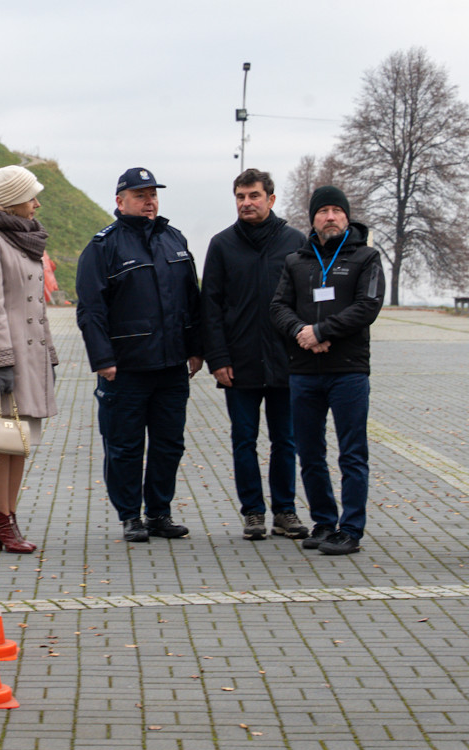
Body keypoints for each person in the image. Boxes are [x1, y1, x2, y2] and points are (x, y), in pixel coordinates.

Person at [76, 167, 202, 543]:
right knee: (125, 446)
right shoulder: (103, 247)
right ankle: (131, 515)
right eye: (140, 195)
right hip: (126, 369)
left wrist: (196, 349)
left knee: (169, 444)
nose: (149, 202)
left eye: (153, 195)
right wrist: (103, 360)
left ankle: (159, 513)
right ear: (120, 201)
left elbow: (191, 302)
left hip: (171, 367)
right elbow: (91, 310)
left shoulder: (174, 240)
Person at [270, 186, 384, 556]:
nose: (330, 216)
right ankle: (323, 521)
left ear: (347, 217)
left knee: (352, 453)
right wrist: (301, 333)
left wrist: (322, 331)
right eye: (323, 211)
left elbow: (367, 306)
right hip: (304, 372)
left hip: (348, 370)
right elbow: (278, 308)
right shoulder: (296, 261)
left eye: (337, 210)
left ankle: (350, 529)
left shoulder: (366, 258)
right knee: (310, 452)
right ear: (313, 218)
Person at [201, 169, 309, 541]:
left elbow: (306, 303)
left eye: (254, 196)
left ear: (271, 200)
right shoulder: (222, 244)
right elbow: (210, 307)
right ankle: (252, 512)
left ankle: (285, 511)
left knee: (286, 440)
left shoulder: (296, 242)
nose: (246, 203)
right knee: (243, 439)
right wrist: (217, 358)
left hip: (287, 362)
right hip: (238, 363)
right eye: (240, 197)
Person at [0, 165, 59, 554]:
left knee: (19, 441)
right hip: (4, 357)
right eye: (31, 196)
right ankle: (2, 522)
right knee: (1, 441)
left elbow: (36, 306)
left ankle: (10, 517)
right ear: (12, 201)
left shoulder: (26, 239)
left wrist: (50, 354)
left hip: (30, 354)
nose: (37, 203)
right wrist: (3, 360)